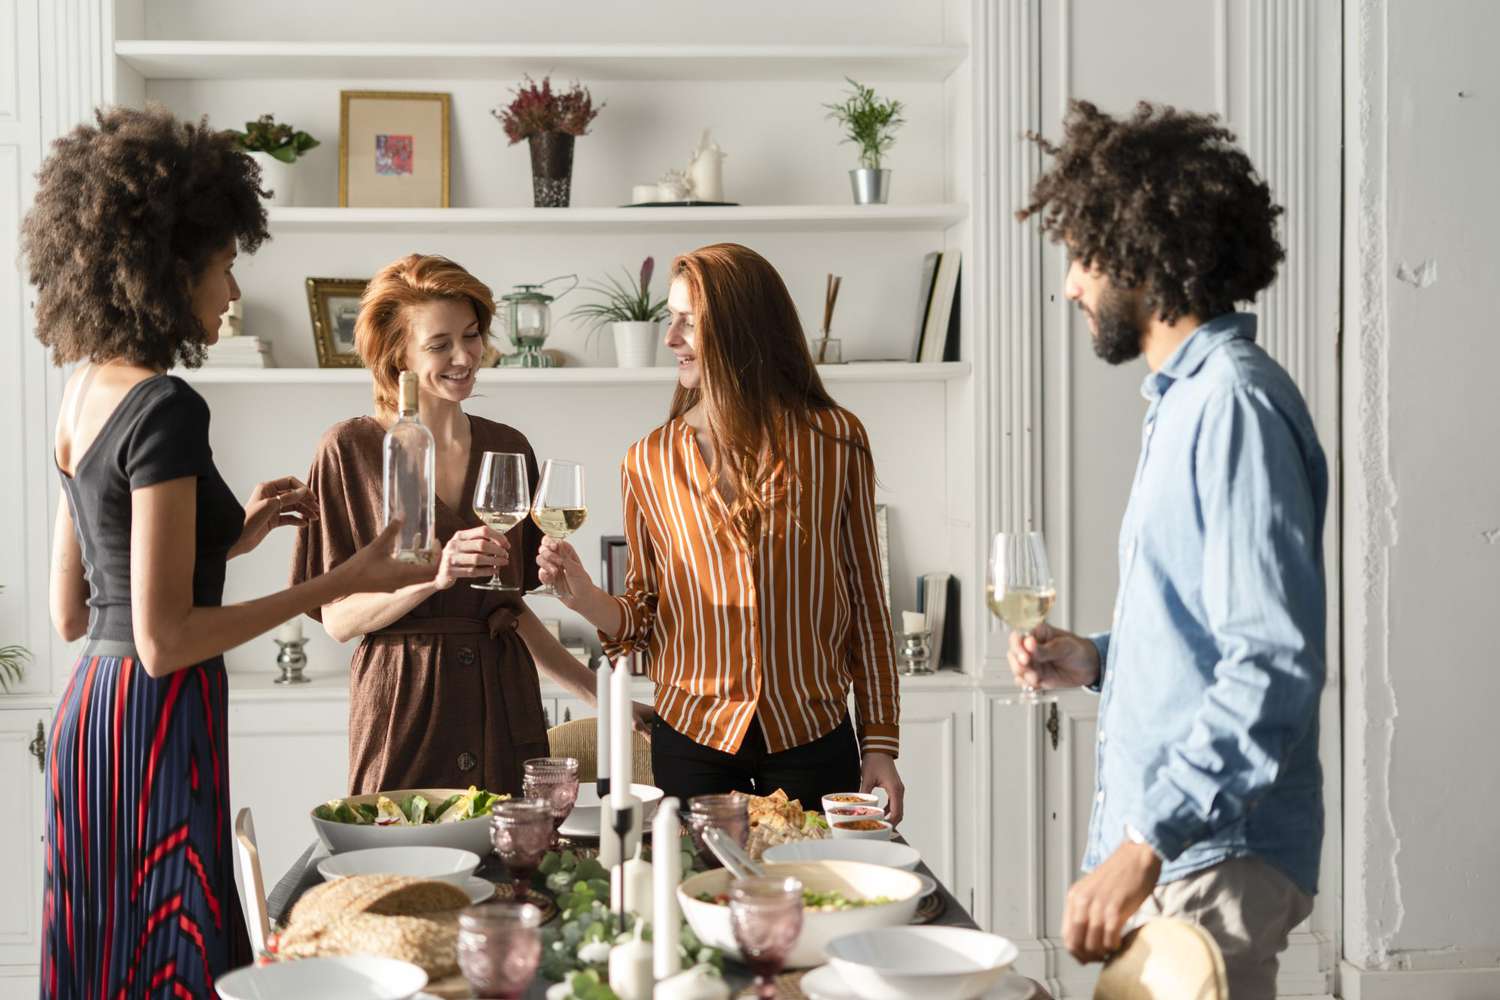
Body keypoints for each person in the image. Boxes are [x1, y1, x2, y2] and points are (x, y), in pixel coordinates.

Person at [23, 106, 432, 996]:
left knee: (103, 956)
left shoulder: (82, 389)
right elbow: (166, 640)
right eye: (224, 265)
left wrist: (228, 536)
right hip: (160, 720)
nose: (234, 292)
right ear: (171, 269)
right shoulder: (167, 406)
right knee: (176, 953)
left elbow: (76, 610)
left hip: (92, 715)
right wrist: (337, 579)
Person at [1010, 101, 1327, 998]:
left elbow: (1272, 661)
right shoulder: (1185, 402)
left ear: (1142, 253)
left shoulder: (1232, 404)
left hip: (1208, 856)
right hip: (1185, 851)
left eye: (1080, 256)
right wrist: (1100, 658)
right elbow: (1212, 634)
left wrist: (1145, 844)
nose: (1071, 286)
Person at [535, 243, 906, 822]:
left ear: (742, 329)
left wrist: (880, 740)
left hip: (814, 736)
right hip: (694, 742)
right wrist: (585, 599)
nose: (670, 338)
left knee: (815, 897)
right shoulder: (649, 460)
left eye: (689, 321)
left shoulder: (837, 441)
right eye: (669, 319)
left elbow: (866, 605)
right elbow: (644, 617)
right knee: (694, 903)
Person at [292, 253, 647, 796]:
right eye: (439, 345)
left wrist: (603, 695)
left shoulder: (507, 447)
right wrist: (432, 576)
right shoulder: (350, 450)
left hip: (502, 696)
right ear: (398, 355)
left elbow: (508, 607)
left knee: (516, 866)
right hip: (404, 702)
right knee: (400, 864)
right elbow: (339, 621)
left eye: (472, 335)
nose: (464, 357)